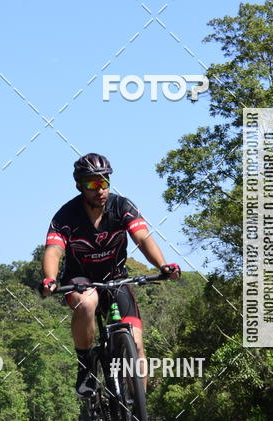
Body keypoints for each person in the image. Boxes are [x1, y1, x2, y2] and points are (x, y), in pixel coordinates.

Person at [40, 153, 180, 398]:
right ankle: (85, 367)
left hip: (116, 279)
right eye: (93, 185)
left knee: (136, 345)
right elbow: (53, 251)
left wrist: (162, 266)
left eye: (104, 182)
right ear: (79, 185)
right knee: (87, 302)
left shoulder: (122, 206)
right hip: (80, 281)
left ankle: (140, 418)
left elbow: (142, 238)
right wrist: (50, 279)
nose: (100, 190)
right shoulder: (66, 216)